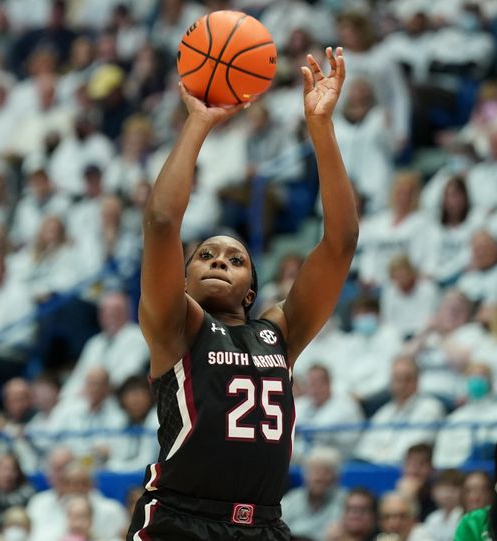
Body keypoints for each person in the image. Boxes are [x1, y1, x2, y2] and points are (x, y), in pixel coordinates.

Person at [126, 47, 358, 540]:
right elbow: (163, 222)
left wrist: (320, 127)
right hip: (179, 521)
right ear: (183, 280)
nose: (218, 262)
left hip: (265, 526)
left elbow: (341, 243)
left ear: (251, 289)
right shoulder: (176, 327)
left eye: (235, 259)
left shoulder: (280, 332)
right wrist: (198, 123)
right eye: (206, 255)